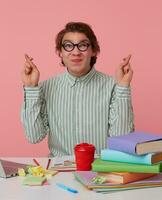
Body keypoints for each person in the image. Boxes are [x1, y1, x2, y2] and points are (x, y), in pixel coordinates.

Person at [20, 22, 134, 157]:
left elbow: (122, 139)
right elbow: (34, 137)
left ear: (93, 51)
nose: (75, 52)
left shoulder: (114, 86)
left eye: (83, 45)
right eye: (68, 46)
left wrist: (122, 88)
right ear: (60, 52)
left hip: (100, 170)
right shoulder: (46, 87)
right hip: (59, 171)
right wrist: (31, 88)